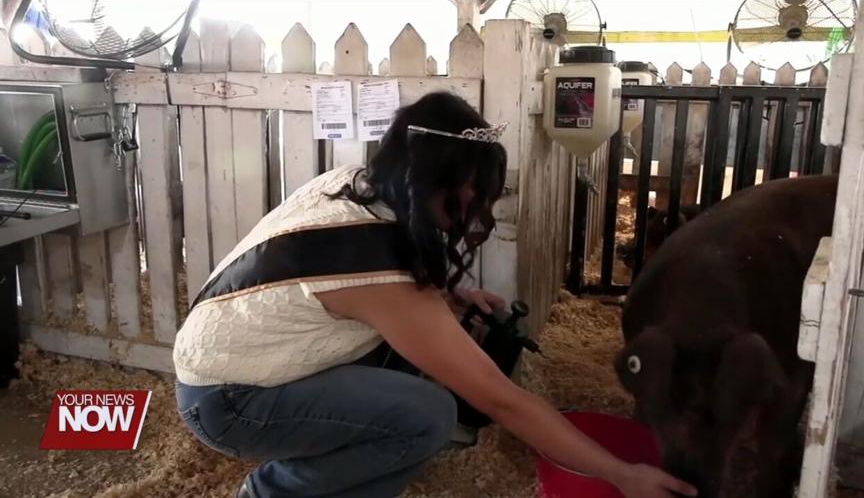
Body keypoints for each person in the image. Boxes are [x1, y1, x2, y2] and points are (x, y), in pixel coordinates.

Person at [173, 92, 697, 498]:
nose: (473, 211)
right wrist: (622, 474)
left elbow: (337, 295)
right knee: (427, 415)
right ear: (429, 179)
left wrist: (450, 300)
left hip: (233, 365)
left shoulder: (349, 184)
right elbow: (498, 398)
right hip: (227, 403)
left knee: (412, 378)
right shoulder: (377, 269)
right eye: (467, 193)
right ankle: (270, 492)